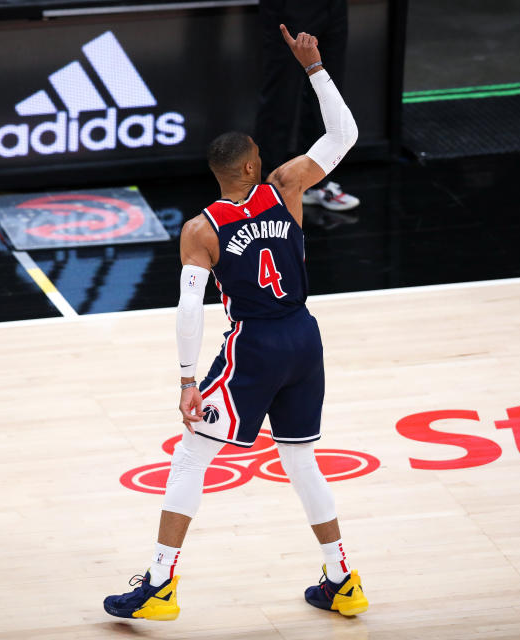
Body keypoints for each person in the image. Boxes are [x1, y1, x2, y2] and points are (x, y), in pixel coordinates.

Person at [103, 25, 367, 621]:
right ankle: (341, 578)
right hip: (304, 336)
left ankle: (160, 585)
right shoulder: (286, 186)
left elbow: (188, 308)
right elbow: (345, 134)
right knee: (300, 459)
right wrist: (316, 68)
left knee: (193, 454)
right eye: (260, 152)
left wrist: (186, 379)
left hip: (255, 346)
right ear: (250, 165)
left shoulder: (201, 230)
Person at [255, 0, 360, 212]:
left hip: (333, 6)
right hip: (291, 6)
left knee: (326, 88)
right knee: (281, 94)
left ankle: (315, 183)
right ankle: (267, 189)